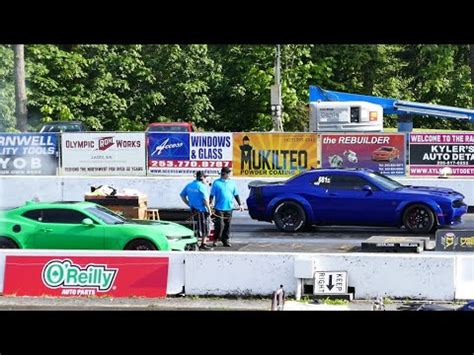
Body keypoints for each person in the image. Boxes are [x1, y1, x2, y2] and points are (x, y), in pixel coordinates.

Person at [210, 166, 244, 247]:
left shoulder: (232, 183)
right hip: (219, 208)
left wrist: (240, 204)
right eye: (228, 173)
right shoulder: (216, 183)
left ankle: (225, 240)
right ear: (223, 173)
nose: (229, 174)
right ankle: (216, 239)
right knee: (220, 225)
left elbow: (236, 194)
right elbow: (212, 195)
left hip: (229, 207)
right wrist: (210, 204)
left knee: (228, 225)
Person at [180, 171, 212, 250]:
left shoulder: (190, 185)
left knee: (196, 227)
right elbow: (205, 200)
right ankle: (203, 244)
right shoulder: (202, 186)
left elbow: (182, 195)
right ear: (202, 178)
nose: (206, 179)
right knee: (205, 228)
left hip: (193, 210)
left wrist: (189, 204)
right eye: (205, 177)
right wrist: (209, 209)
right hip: (202, 211)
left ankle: (195, 244)